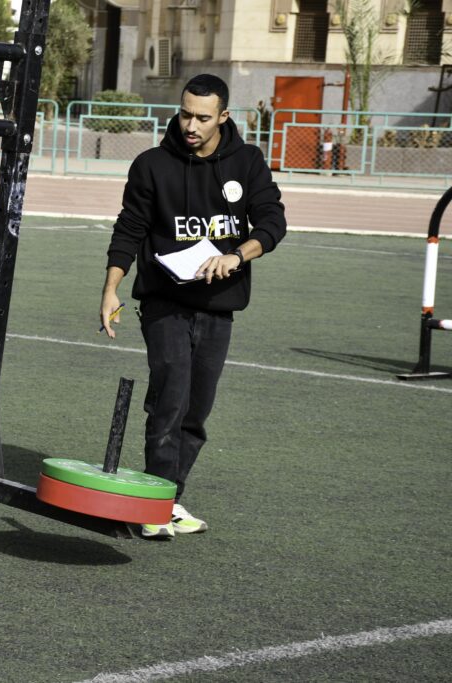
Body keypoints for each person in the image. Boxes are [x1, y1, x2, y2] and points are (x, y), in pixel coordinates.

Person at [98, 74, 286, 539]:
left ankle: (169, 499)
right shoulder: (152, 165)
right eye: (186, 114)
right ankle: (153, 504)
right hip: (164, 302)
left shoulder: (247, 161)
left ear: (223, 116)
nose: (191, 125)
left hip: (220, 305)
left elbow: (272, 221)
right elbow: (129, 228)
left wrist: (236, 255)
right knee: (171, 398)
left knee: (196, 413)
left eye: (203, 117)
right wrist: (111, 288)